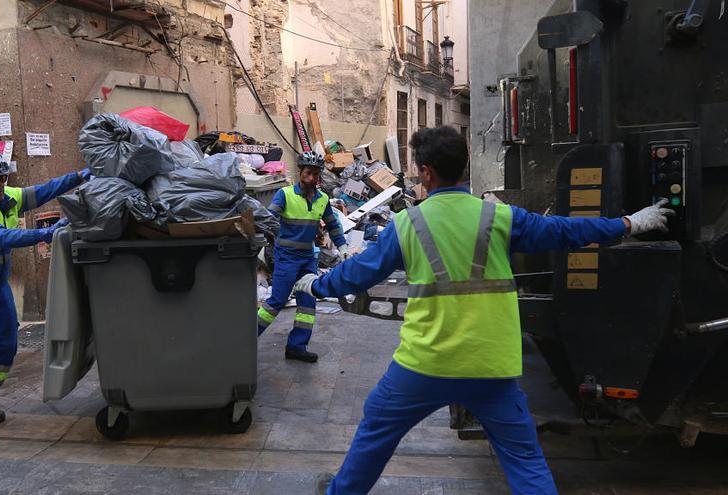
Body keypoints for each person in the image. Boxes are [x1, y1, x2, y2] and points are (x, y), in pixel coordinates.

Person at [294, 127, 675, 494]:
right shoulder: (500, 217)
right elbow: (565, 231)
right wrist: (629, 223)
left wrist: (318, 285)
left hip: (425, 364)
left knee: (376, 431)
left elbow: (360, 273)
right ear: (463, 168)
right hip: (491, 366)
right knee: (524, 459)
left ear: (427, 173)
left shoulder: (407, 224)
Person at [0, 148, 90, 443]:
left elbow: (43, 192)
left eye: (2, 177)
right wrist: (43, 234)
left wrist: (80, 176)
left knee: (6, 348)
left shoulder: (6, 197)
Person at [257, 152, 350, 363]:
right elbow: (268, 219)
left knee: (308, 303)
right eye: (308, 173)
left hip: (308, 258)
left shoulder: (323, 199)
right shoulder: (285, 194)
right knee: (277, 301)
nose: (312, 179)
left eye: (316, 175)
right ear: (300, 172)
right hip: (286, 258)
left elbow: (333, 224)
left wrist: (342, 245)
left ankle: (297, 347)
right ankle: (247, 340)